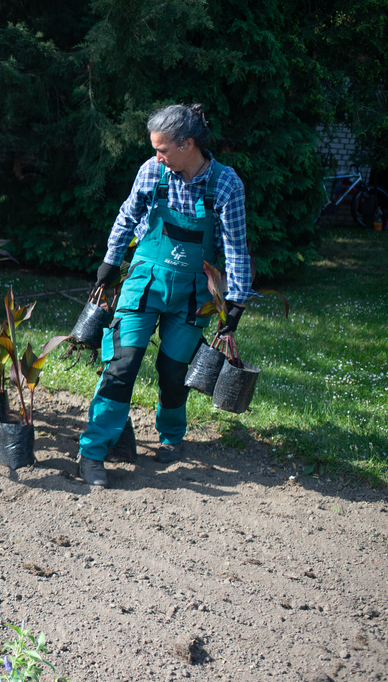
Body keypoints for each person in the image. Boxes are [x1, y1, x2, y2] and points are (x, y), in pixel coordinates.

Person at [77, 103, 257, 487]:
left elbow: (236, 247)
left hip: (192, 296)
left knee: (175, 373)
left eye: (163, 148)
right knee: (121, 366)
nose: (157, 155)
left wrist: (236, 299)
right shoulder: (152, 171)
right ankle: (92, 452)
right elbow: (127, 216)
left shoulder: (225, 184)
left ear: (187, 144)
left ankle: (171, 436)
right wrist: (110, 263)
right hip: (144, 285)